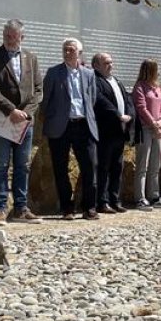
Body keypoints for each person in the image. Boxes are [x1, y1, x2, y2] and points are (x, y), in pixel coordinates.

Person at [0, 18, 43, 226]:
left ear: (21, 37)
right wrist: (11, 110)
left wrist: (25, 113)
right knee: (0, 165)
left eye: (13, 36)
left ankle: (21, 208)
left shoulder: (31, 58)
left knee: (22, 165)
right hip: (3, 119)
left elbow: (38, 90)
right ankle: (0, 208)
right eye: (6, 36)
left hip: (25, 121)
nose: (9, 40)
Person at [40, 37, 100, 220]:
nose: (67, 53)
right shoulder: (53, 73)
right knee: (60, 168)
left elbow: (92, 99)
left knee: (90, 166)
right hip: (61, 127)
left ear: (79, 53)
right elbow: (46, 101)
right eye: (65, 49)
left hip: (84, 125)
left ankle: (89, 207)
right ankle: (67, 208)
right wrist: (53, 118)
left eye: (71, 50)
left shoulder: (89, 74)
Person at [92, 52, 135, 214]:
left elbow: (128, 99)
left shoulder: (116, 80)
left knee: (117, 167)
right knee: (103, 167)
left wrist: (130, 114)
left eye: (111, 62)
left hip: (120, 131)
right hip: (106, 131)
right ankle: (102, 202)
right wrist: (118, 115)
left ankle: (114, 199)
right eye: (106, 63)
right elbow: (101, 101)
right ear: (96, 65)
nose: (111, 65)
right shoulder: (96, 81)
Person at [131, 59, 161, 210]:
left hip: (158, 129)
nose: (159, 72)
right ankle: (140, 197)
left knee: (155, 165)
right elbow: (141, 107)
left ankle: (154, 195)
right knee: (143, 165)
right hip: (146, 129)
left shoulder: (157, 88)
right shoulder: (140, 87)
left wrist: (160, 121)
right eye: (157, 69)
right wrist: (154, 124)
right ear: (150, 70)